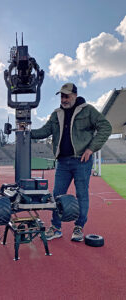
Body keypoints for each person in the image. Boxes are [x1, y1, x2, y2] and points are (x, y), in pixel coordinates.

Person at [30, 83, 112, 242]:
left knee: (81, 194)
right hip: (62, 162)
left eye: (66, 96)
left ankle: (79, 227)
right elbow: (44, 131)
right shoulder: (56, 114)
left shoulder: (88, 110)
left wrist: (91, 148)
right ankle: (56, 228)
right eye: (61, 96)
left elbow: (105, 127)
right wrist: (26, 132)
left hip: (82, 160)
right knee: (57, 195)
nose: (63, 99)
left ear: (75, 95)